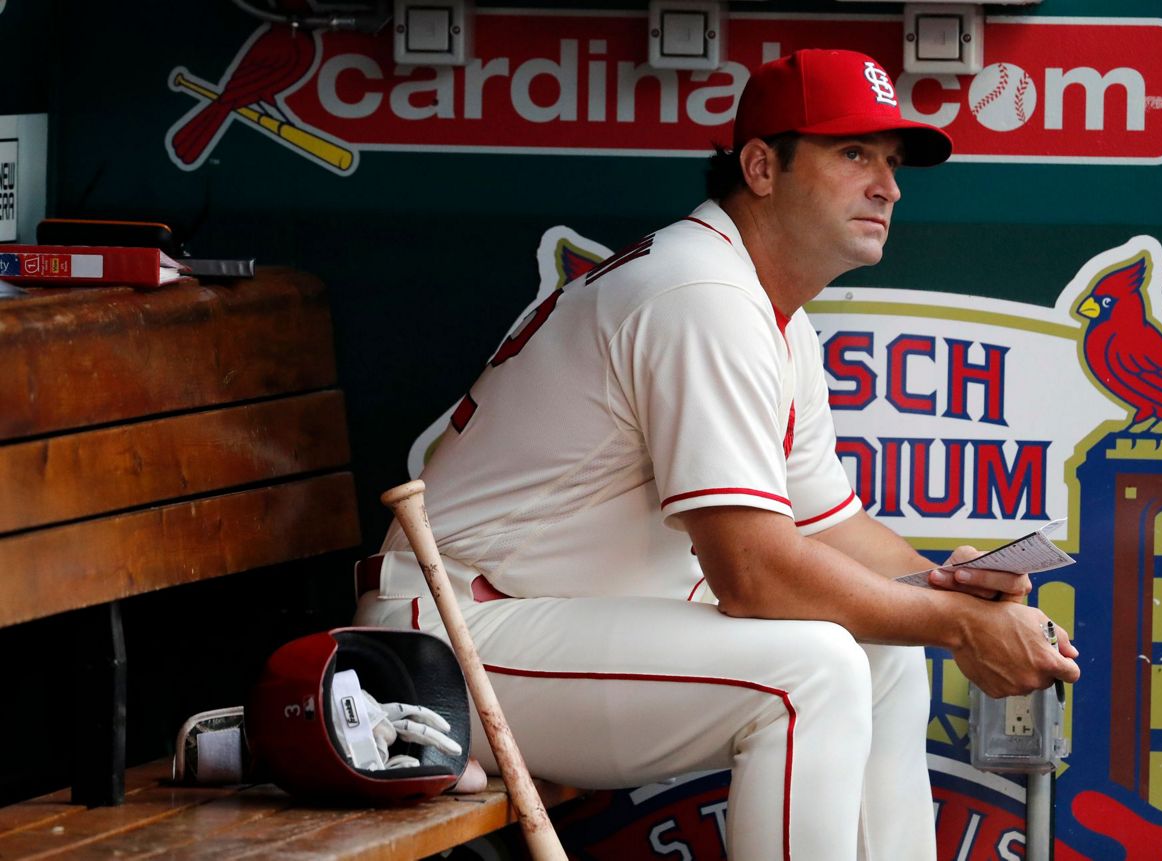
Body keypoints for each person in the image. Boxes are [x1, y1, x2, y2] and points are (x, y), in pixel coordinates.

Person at [355, 49, 1080, 860]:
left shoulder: (767, 307)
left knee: (883, 652)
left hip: (538, 621)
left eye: (891, 161)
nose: (888, 185)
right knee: (812, 671)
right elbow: (754, 573)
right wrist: (957, 625)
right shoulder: (702, 293)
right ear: (762, 166)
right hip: (449, 641)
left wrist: (955, 589)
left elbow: (831, 526)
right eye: (853, 153)